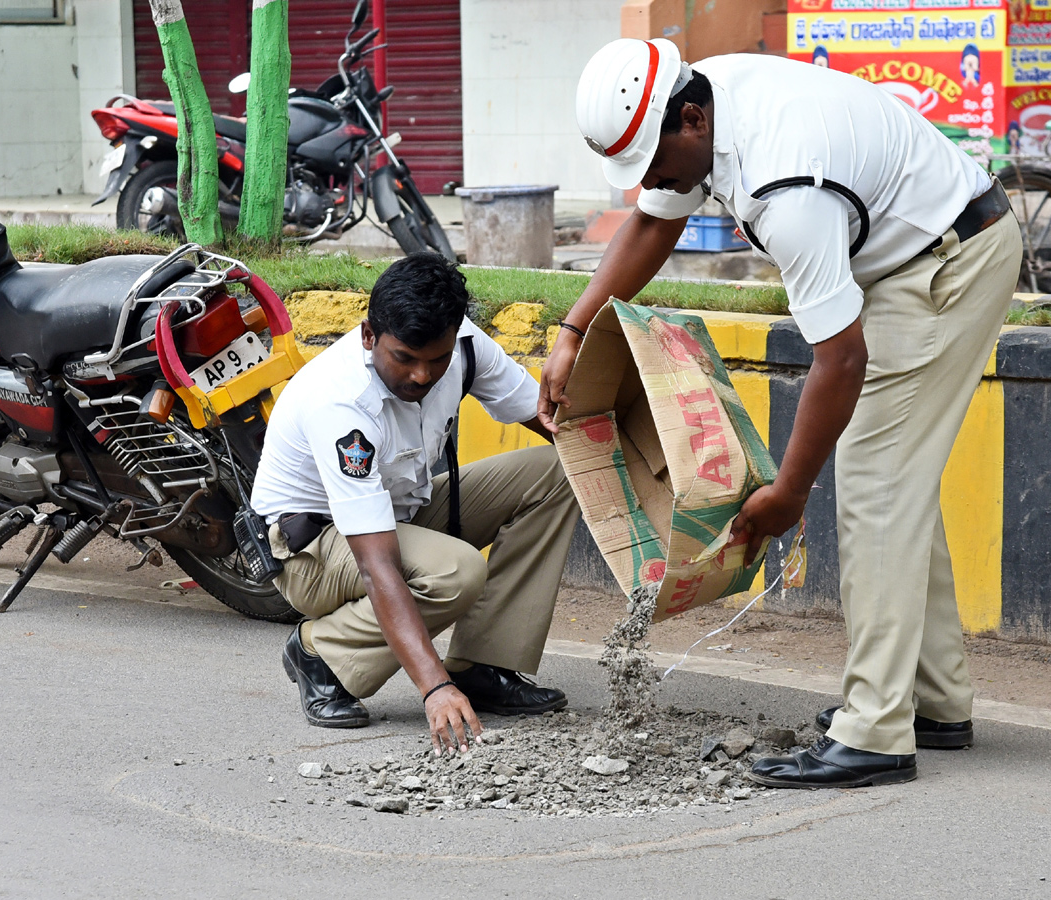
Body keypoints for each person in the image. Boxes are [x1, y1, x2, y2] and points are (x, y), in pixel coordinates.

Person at [548, 39, 1020, 788]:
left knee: (874, 484)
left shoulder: (785, 187)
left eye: (652, 165)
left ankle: (875, 732)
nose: (650, 184)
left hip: (947, 266)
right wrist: (574, 333)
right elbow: (653, 222)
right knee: (894, 480)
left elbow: (841, 361)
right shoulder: (708, 102)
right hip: (912, 254)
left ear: (691, 120)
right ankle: (931, 700)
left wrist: (788, 495)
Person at [251, 252, 581, 756]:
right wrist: (433, 687)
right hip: (311, 552)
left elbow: (551, 423)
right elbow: (377, 564)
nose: (423, 375)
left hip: (401, 511)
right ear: (368, 336)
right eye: (404, 358)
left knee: (557, 472)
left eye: (437, 359)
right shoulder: (342, 404)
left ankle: (483, 666)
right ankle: (321, 653)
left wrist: (635, 472)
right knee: (457, 572)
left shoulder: (464, 346)